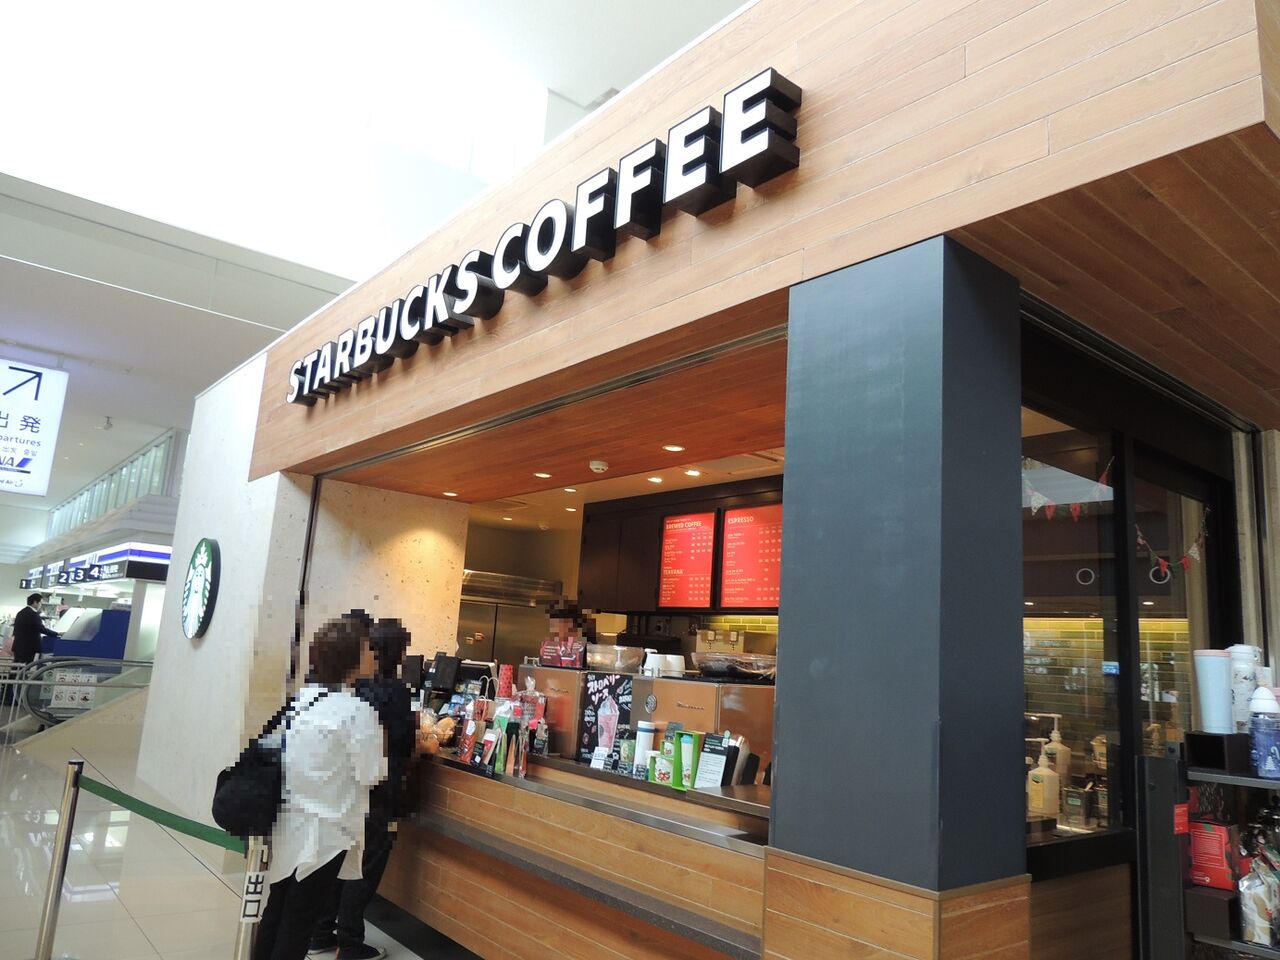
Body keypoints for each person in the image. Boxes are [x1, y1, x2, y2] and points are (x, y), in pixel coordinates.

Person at [253, 617, 387, 960]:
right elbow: (372, 774)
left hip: (288, 823)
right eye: (367, 648)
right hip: (326, 833)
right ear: (352, 658)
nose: (373, 654)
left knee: (277, 908)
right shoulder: (356, 711)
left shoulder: (303, 699)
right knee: (299, 920)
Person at [309, 618, 416, 960]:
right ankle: (351, 943)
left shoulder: (352, 688)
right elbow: (403, 744)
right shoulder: (395, 692)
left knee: (342, 860)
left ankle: (320, 933)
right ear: (398, 653)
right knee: (365, 867)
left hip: (345, 791)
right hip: (378, 792)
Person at [12, 593, 59, 664]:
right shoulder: (33, 614)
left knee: (17, 665)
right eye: (40, 603)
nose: (41, 605)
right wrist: (56, 634)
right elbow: (41, 629)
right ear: (35, 602)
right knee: (27, 666)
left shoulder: (20, 613)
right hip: (29, 647)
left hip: (18, 645)